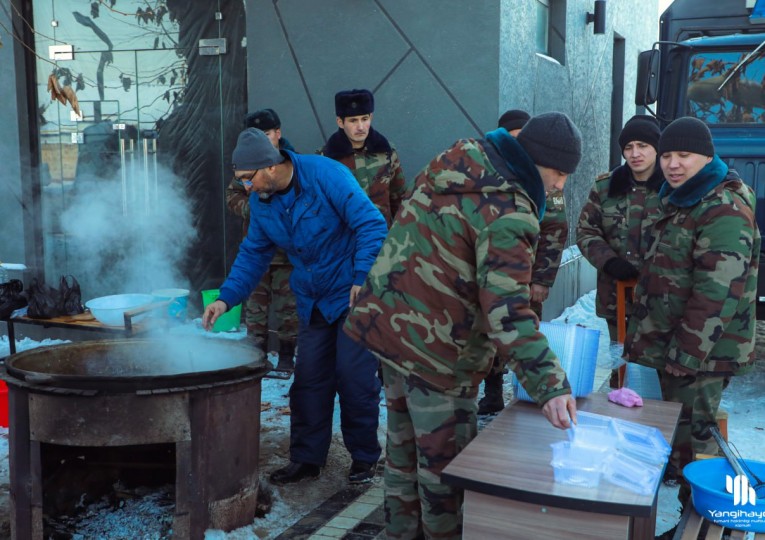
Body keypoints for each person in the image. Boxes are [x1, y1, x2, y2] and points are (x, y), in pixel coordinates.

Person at [344, 112, 581, 539]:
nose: (560, 185)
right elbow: (508, 308)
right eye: (558, 172)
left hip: (390, 330)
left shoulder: (457, 162)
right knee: (446, 471)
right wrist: (550, 384)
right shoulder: (511, 208)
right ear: (534, 159)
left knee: (401, 454)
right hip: (438, 352)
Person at [204, 128, 388, 486]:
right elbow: (253, 254)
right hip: (313, 299)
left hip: (354, 294)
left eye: (248, 178)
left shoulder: (326, 175)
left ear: (270, 167)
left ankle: (365, 457)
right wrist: (226, 298)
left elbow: (372, 223)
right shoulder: (262, 203)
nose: (246, 188)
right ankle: (306, 458)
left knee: (354, 379)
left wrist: (362, 276)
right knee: (308, 382)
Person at [624, 117, 760, 507]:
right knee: (684, 438)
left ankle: (705, 521)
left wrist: (686, 353)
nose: (672, 164)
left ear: (706, 156)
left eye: (684, 155)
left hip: (701, 354)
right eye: (666, 155)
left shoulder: (723, 207)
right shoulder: (683, 198)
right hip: (678, 348)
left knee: (697, 443)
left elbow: (716, 294)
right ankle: (693, 517)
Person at [478, 109, 569, 415]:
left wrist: (542, 279)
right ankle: (493, 392)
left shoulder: (544, 187)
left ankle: (526, 396)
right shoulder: (497, 186)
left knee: (521, 332)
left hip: (525, 275)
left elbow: (556, 230)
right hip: (496, 275)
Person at [576, 115, 664, 344]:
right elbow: (586, 230)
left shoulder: (672, 187)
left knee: (656, 371)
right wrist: (609, 262)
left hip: (661, 298)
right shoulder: (606, 186)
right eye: (629, 147)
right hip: (616, 295)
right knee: (621, 364)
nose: (635, 153)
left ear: (657, 148)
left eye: (643, 146)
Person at [225, 108, 299, 371]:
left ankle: (288, 356)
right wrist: (252, 208)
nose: (262, 139)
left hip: (285, 253)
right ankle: (255, 357)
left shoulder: (293, 164)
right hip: (256, 248)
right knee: (255, 307)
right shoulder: (245, 163)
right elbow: (232, 195)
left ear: (277, 133)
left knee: (289, 309)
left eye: (266, 134)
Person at [319, 88, 406, 227]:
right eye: (353, 121)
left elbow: (399, 198)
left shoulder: (387, 152)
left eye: (364, 119)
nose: (360, 127)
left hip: (384, 238)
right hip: (348, 242)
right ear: (340, 122)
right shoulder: (325, 160)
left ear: (370, 117)